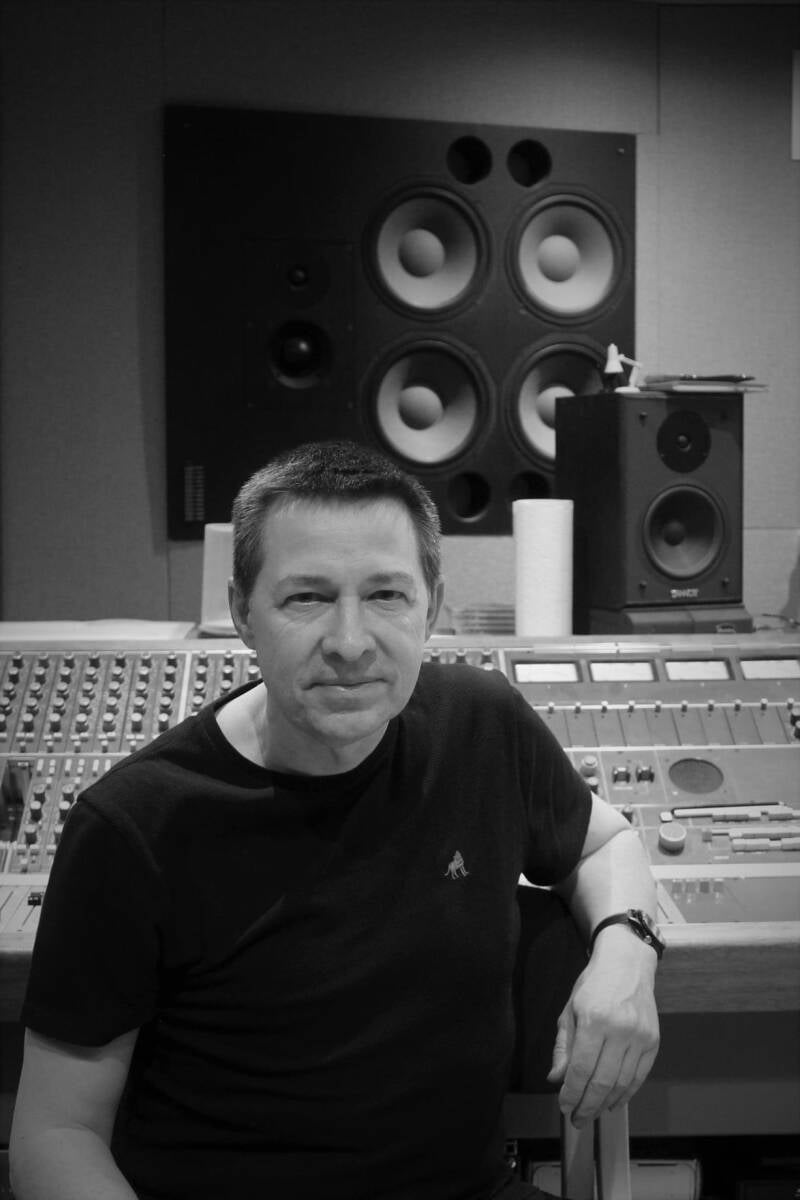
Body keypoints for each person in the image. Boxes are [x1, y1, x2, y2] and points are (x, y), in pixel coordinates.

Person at [10, 439, 660, 1200]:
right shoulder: (134, 826)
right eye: (307, 598)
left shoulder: (483, 725)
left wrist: (628, 952)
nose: (350, 644)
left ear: (431, 609)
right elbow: (56, 1137)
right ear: (242, 613)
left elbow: (605, 842)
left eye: (386, 595)